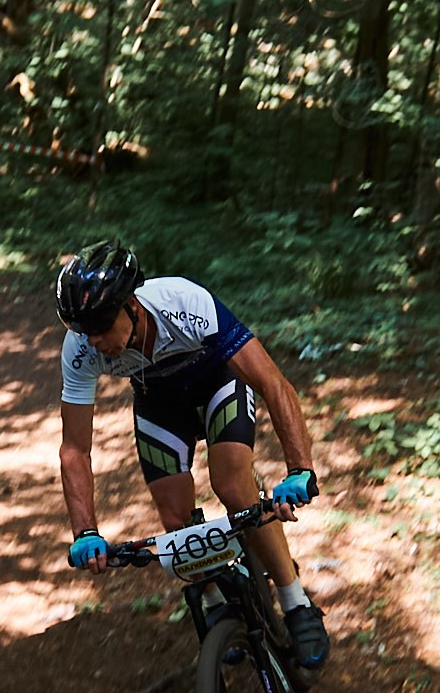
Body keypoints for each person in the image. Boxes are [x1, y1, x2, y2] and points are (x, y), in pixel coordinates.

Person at [53, 242, 330, 669]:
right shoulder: (82, 348)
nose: (92, 339)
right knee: (175, 518)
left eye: (101, 325)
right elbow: (75, 448)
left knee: (233, 484)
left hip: (217, 384)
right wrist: (85, 531)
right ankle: (217, 600)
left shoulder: (182, 302)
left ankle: (295, 602)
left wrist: (299, 469)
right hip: (159, 404)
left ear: (132, 306)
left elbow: (273, 383)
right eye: (80, 329)